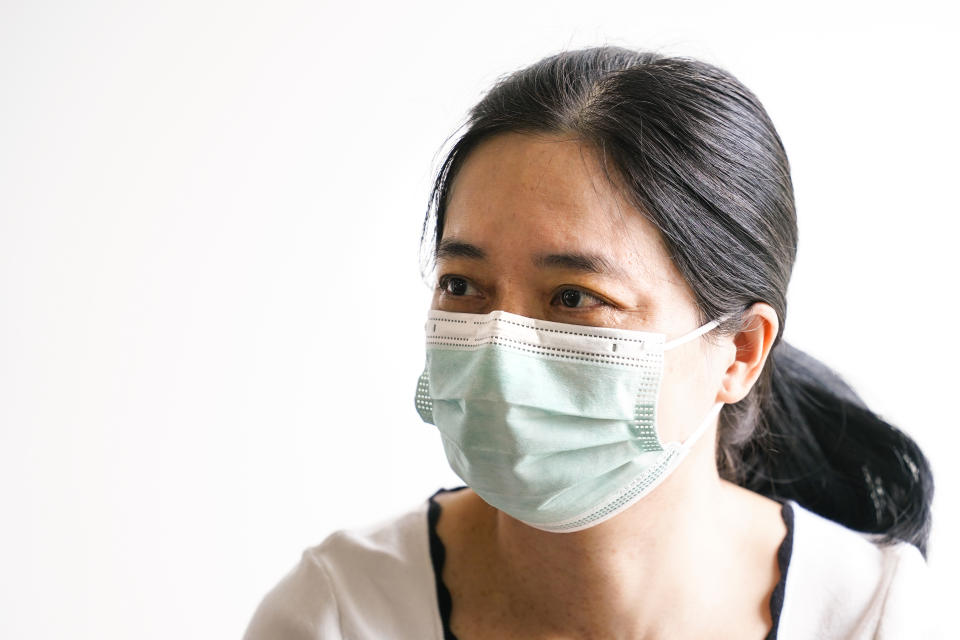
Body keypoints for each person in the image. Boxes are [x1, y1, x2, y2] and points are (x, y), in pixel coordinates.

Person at [242, 46, 936, 639]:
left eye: (573, 298)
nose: (497, 352)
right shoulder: (341, 615)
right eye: (462, 285)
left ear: (741, 352)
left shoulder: (874, 618)